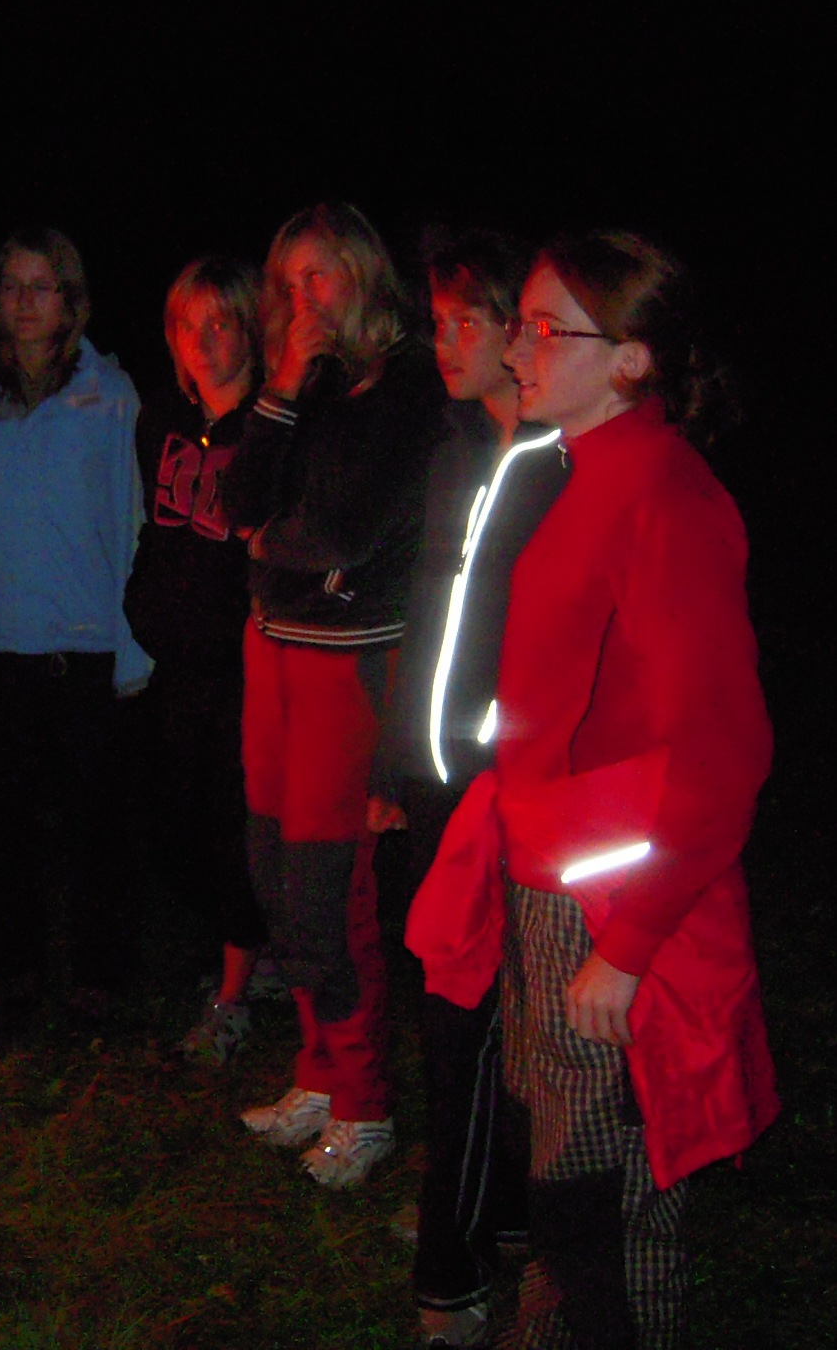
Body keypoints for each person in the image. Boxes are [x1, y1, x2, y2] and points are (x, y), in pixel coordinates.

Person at [409, 233, 775, 1348]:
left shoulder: (665, 499)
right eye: (518, 324)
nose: (516, 348)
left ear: (629, 358)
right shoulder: (580, 476)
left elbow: (722, 751)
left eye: (541, 327)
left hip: (608, 910)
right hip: (547, 881)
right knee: (562, 1169)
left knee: (609, 1189)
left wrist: (629, 945)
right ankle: (550, 1323)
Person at [370, 229, 567, 1346]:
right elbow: (424, 609)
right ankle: (482, 1208)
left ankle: (455, 1260)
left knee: (487, 1021)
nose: (443, 342)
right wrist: (394, 762)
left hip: (512, 785)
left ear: (517, 330)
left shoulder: (558, 462)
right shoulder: (450, 449)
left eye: (466, 321)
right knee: (451, 1008)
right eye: (435, 321)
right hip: (438, 778)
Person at [224, 201, 443, 1187]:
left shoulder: (405, 385)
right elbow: (236, 502)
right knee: (273, 868)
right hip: (274, 648)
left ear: (362, 272)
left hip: (346, 659)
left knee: (326, 883)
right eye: (287, 282)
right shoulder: (306, 384)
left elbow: (341, 533)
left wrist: (270, 541)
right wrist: (277, 388)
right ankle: (317, 1072)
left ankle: (364, 1102)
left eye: (318, 274)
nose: (302, 297)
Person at [0, 225, 149, 1021]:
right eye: (12, 286)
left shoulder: (109, 394)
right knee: (2, 832)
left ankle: (101, 980)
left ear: (70, 300)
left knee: (94, 830)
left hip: (79, 648)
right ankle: (17, 977)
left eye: (42, 287)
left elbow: (128, 522)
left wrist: (129, 650)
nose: (25, 302)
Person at [121, 257, 277, 1061]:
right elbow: (156, 528)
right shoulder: (160, 419)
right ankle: (253, 946)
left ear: (250, 329)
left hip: (245, 664)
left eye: (221, 322)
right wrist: (142, 607)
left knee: (230, 824)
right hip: (173, 659)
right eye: (190, 324)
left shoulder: (272, 426)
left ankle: (233, 994)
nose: (205, 340)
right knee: (171, 822)